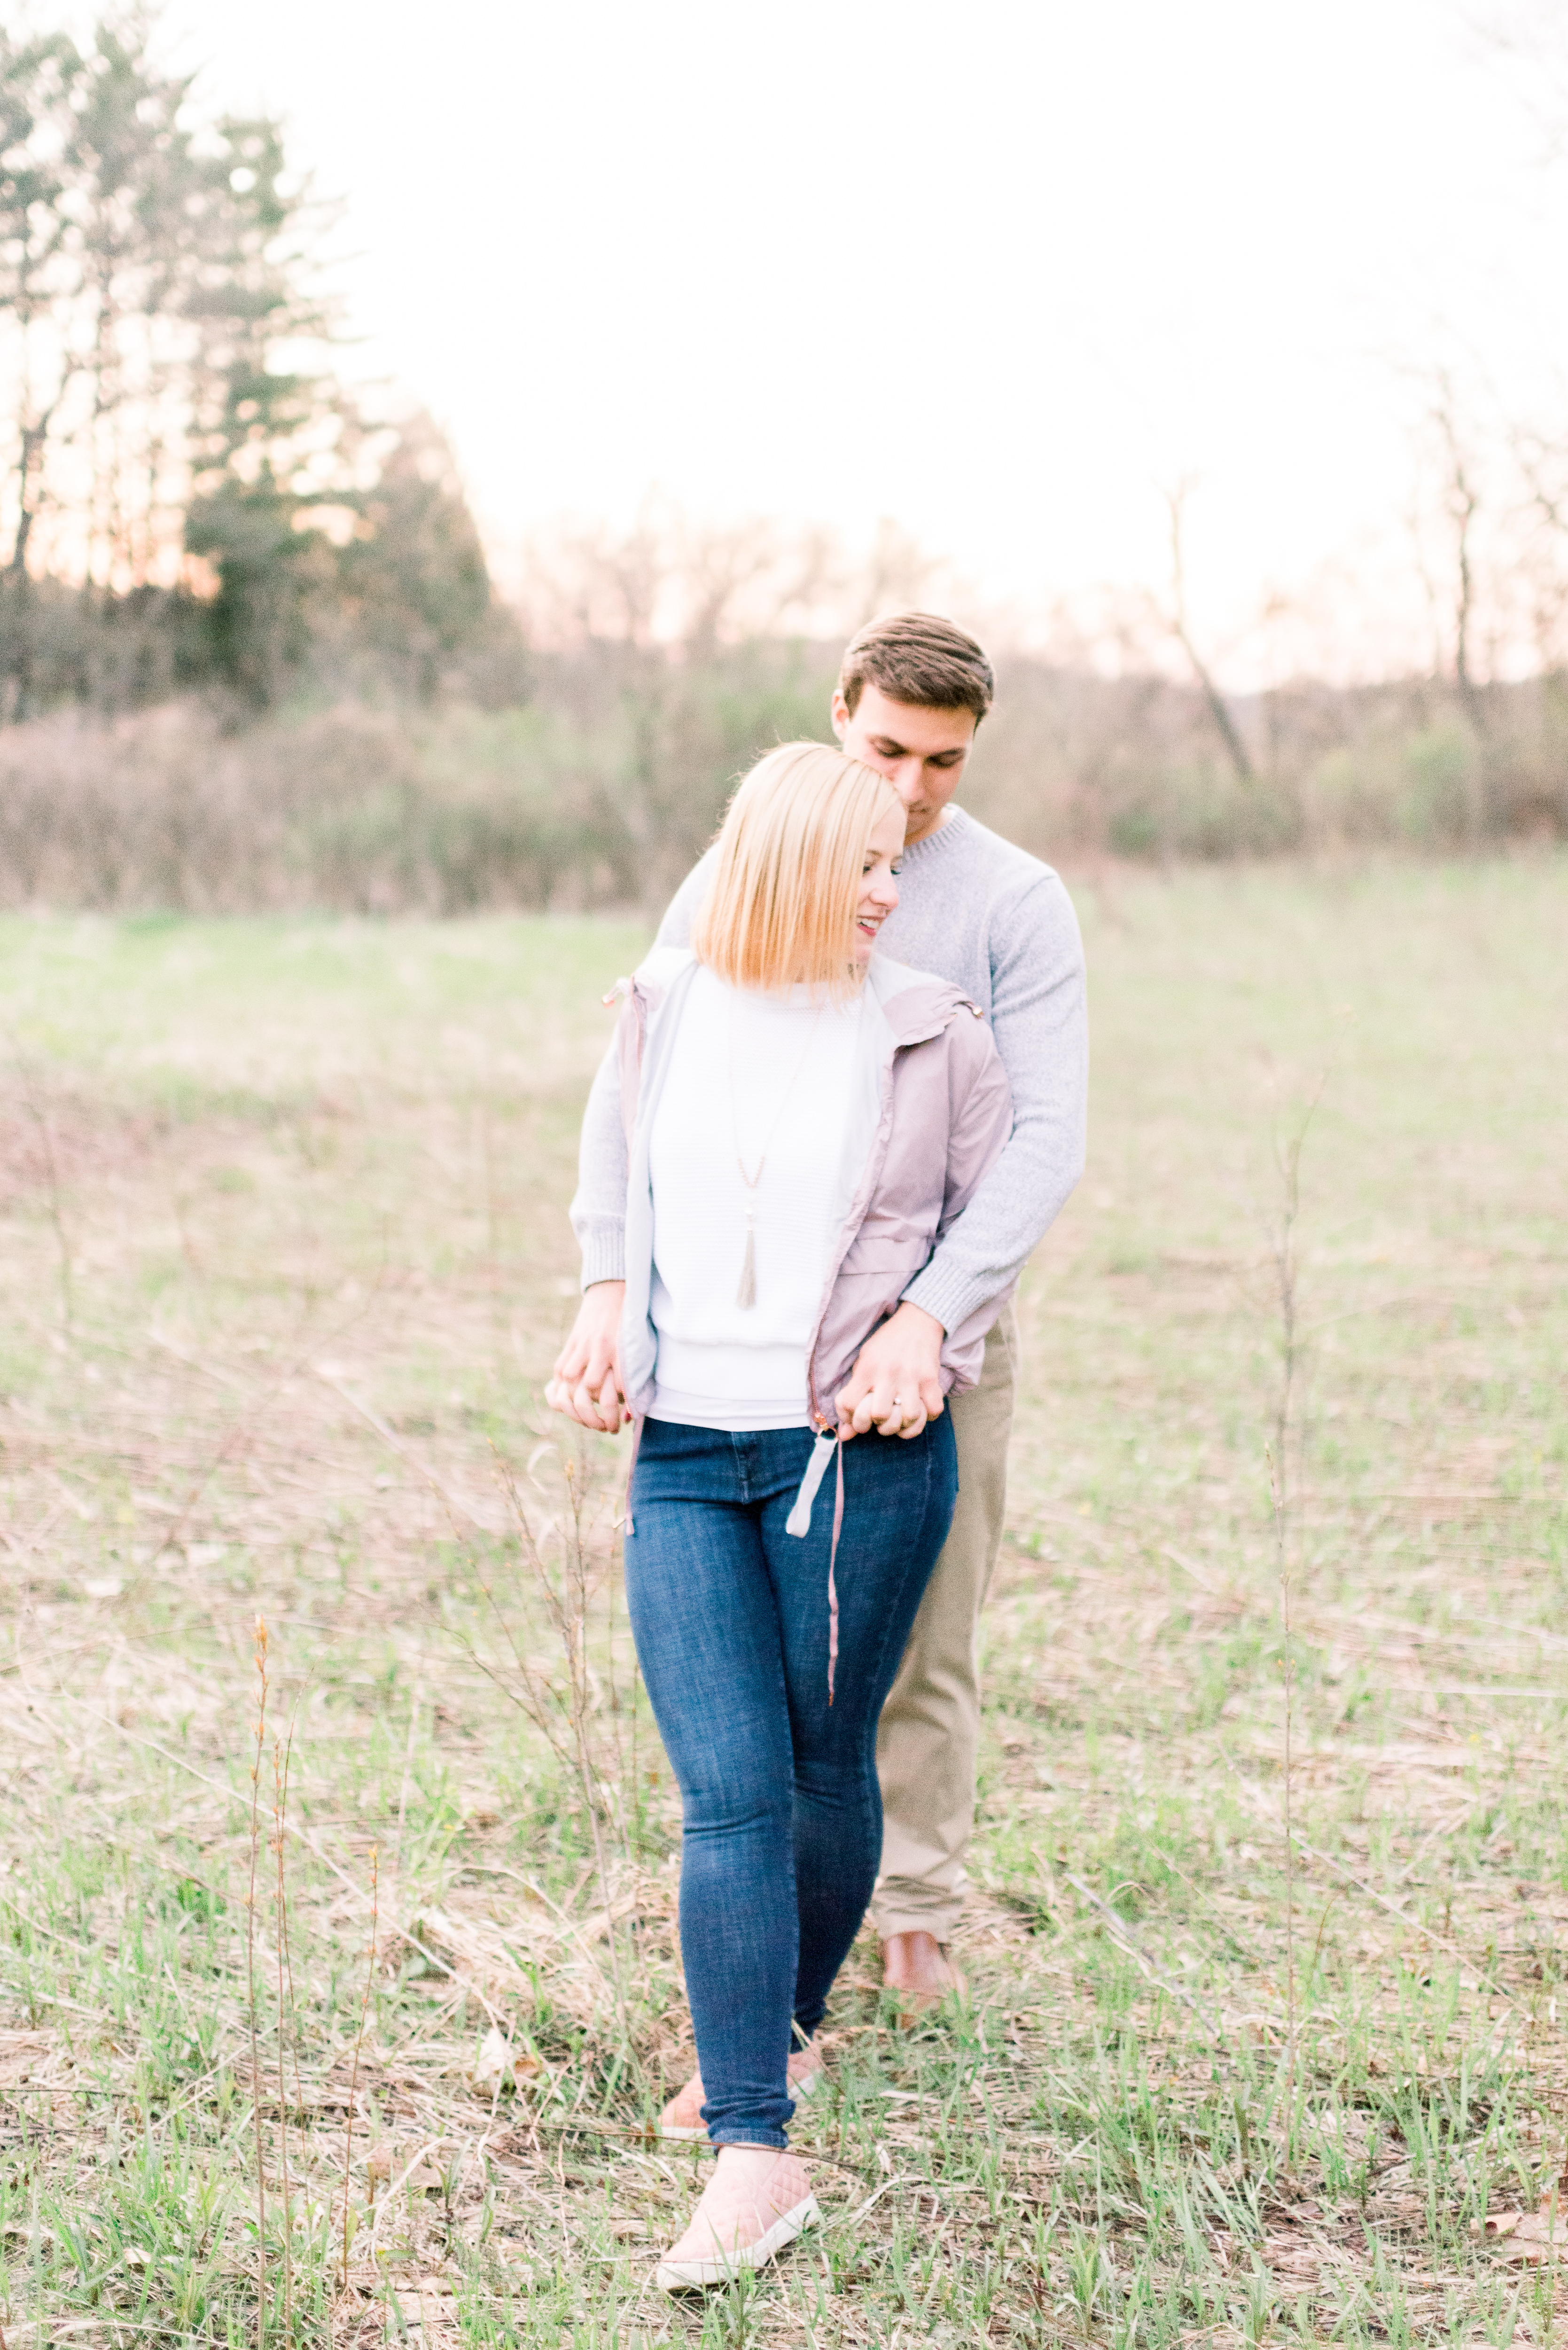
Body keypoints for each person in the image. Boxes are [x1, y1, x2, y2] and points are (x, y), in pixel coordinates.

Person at [555, 612, 1090, 2010]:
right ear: (835, 716)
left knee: (921, 1629)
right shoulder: (726, 881)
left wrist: (930, 1315)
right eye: (887, 750)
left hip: (934, 1320)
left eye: (944, 764)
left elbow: (1037, 1140)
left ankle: (908, 1912)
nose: (911, 792)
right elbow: (640, 1090)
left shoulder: (1013, 902)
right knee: (760, 1669)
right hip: (746, 1349)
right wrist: (612, 1280)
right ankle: (772, 1940)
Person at [549, 741, 1014, 2286]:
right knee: (728, 1789)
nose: (895, 889)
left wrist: (928, 1323)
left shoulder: (929, 1034)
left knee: (824, 1765)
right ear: (788, 863)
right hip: (683, 1449)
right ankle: (755, 2147)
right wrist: (606, 1294)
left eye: (899, 861)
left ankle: (777, 2034)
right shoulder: (665, 1004)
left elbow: (991, 1212)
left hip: (853, 1455)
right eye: (868, 863)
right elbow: (614, 1163)